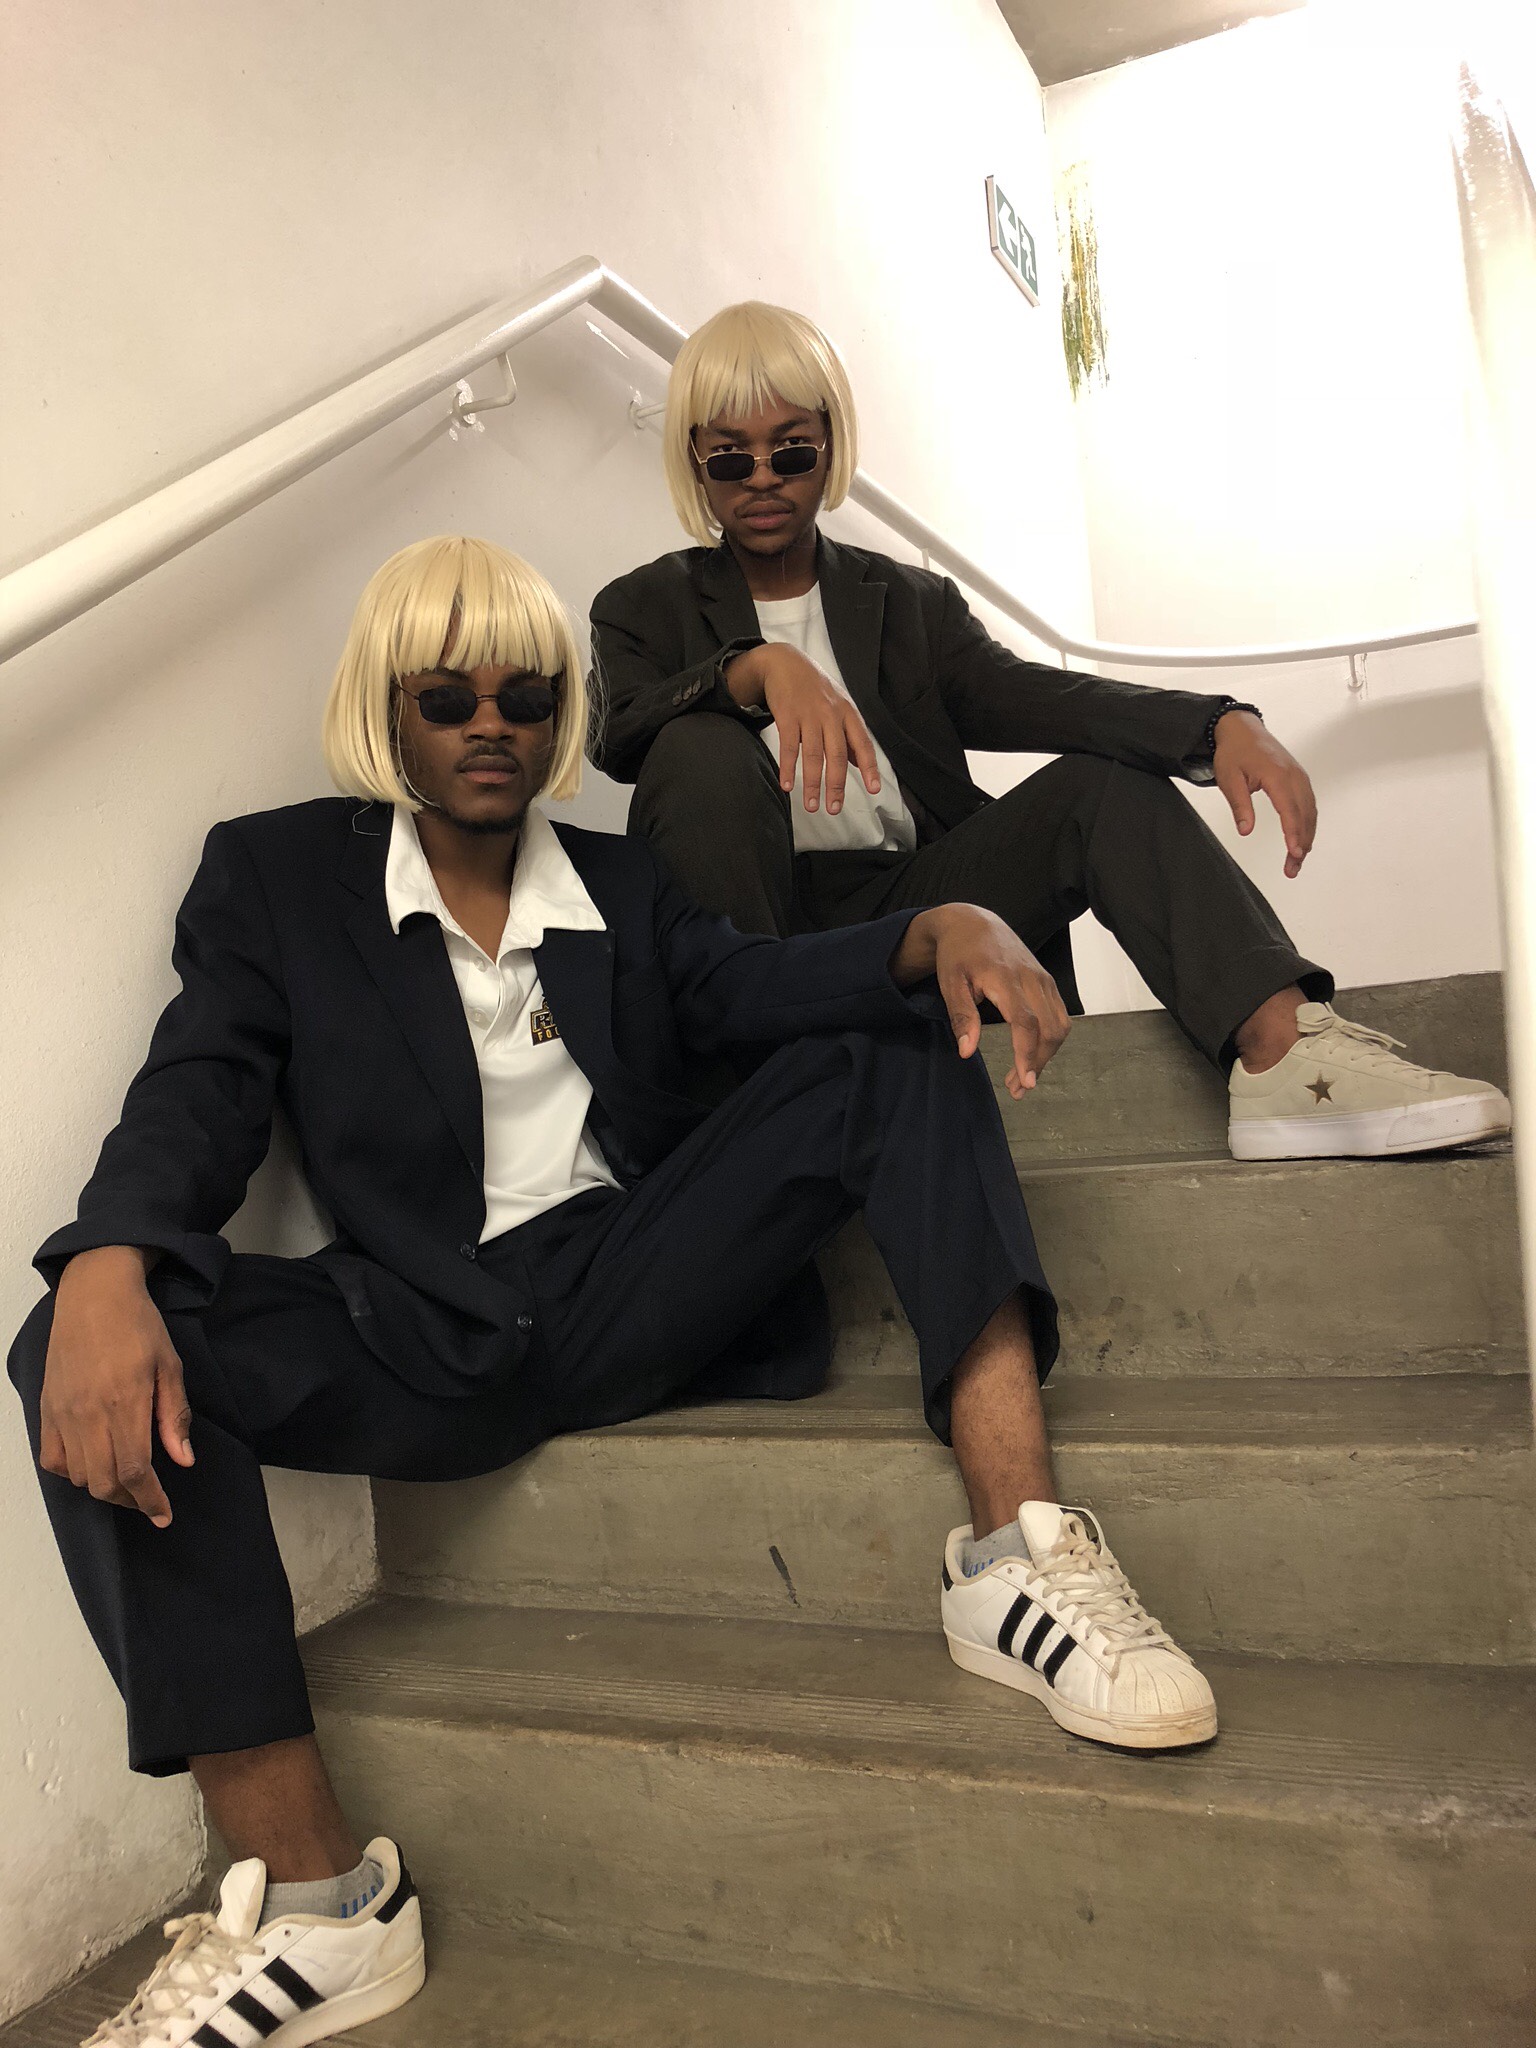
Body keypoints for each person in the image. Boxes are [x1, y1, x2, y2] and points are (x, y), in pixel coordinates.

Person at [10, 537, 1213, 2048]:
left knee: (898, 1036)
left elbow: (753, 987)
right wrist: (109, 1257)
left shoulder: (624, 887)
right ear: (389, 711)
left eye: (525, 695)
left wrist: (930, 928)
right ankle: (320, 1903)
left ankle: (1016, 1555)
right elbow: (199, 1089)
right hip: (426, 1325)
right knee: (81, 1337)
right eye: (448, 696)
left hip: (635, 1279)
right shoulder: (280, 878)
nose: (491, 724)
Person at [591, 301, 1510, 1161]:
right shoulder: (641, 607)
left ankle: (1282, 1059)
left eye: (790, 450)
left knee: (1099, 785)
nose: (761, 477)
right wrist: (751, 670)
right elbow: (619, 732)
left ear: (830, 447)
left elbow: (1039, 697)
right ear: (694, 461)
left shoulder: (908, 604)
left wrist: (1214, 723)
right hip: (749, 940)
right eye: (730, 457)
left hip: (911, 912)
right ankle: (750, 1111)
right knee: (696, 745)